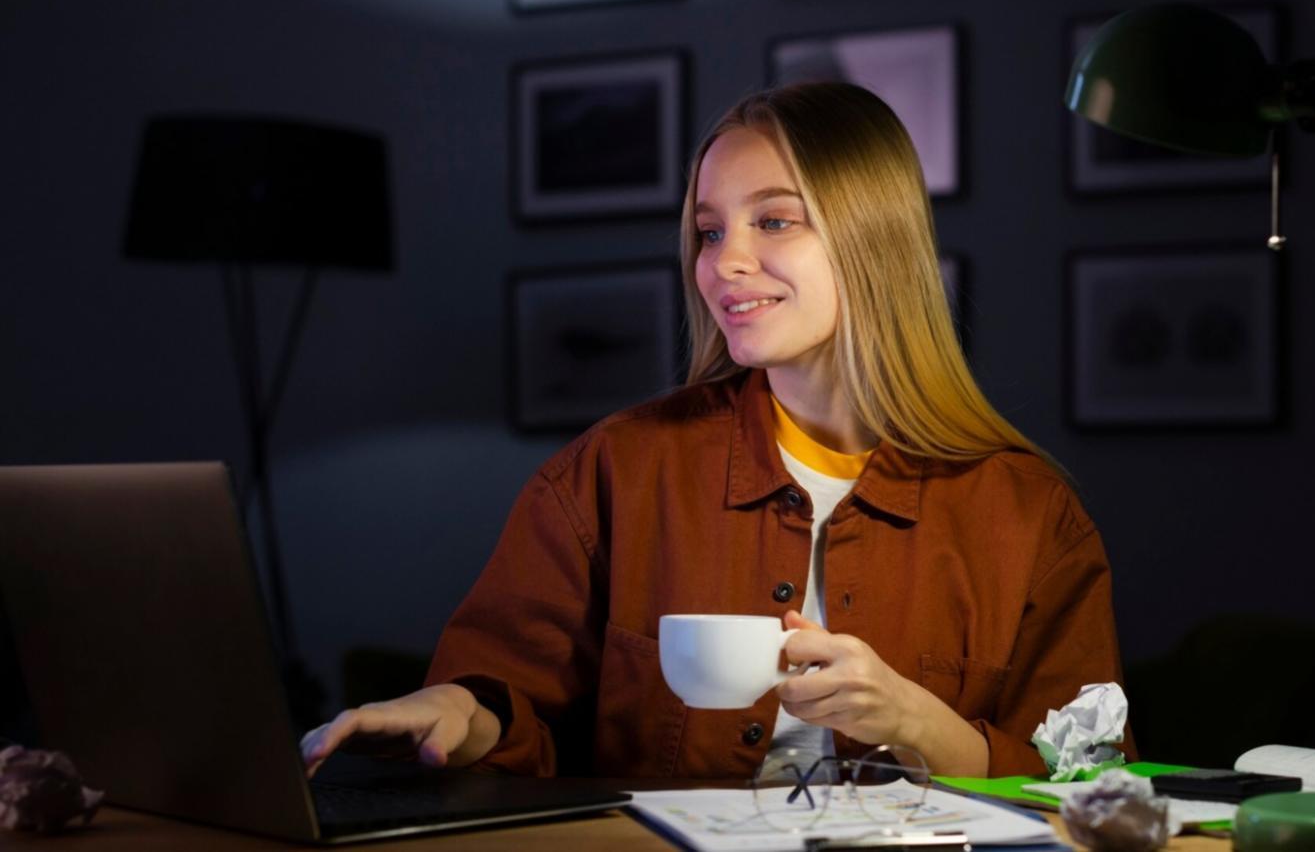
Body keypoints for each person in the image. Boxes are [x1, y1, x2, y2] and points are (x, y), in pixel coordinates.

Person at [300, 82, 1128, 780]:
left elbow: (1094, 784)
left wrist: (918, 722)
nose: (722, 262)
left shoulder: (1029, 514)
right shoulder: (617, 470)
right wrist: (458, 708)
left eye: (772, 221)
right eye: (709, 230)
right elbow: (503, 698)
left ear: (873, 239)